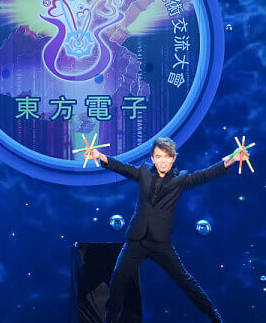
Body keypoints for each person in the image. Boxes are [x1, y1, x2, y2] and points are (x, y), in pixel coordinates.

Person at [91, 137, 249, 323]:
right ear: (153, 158)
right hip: (136, 239)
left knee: (184, 280)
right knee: (118, 276)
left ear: (174, 158)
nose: (163, 161)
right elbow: (123, 168)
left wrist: (231, 159)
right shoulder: (144, 172)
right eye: (159, 157)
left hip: (160, 243)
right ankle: (111, 318)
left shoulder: (180, 179)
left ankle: (212, 314)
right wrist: (100, 156)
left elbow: (205, 175)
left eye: (167, 157)